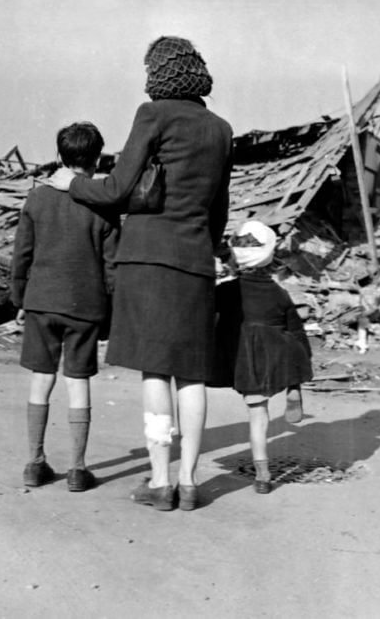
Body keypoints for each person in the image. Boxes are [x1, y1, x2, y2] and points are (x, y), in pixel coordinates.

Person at [50, 36, 233, 511]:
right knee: (192, 374)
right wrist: (203, 248)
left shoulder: (153, 115)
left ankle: (159, 481)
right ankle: (190, 482)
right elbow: (220, 211)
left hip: (149, 258)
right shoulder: (221, 129)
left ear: (158, 73)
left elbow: (116, 189)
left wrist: (74, 184)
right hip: (195, 261)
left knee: (156, 372)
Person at [11, 121, 120, 493]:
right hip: (85, 306)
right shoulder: (102, 204)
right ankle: (77, 469)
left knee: (41, 380)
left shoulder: (37, 198)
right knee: (78, 382)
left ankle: (34, 462)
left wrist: (19, 298)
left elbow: (22, 254)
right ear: (97, 159)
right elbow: (112, 266)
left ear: (60, 156)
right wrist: (109, 312)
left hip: (41, 301)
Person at [213, 220, 313, 494]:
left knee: (258, 414)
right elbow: (297, 331)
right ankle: (295, 384)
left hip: (247, 361)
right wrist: (304, 364)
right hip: (278, 355)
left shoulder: (225, 292)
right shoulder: (279, 293)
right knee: (292, 344)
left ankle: (263, 472)